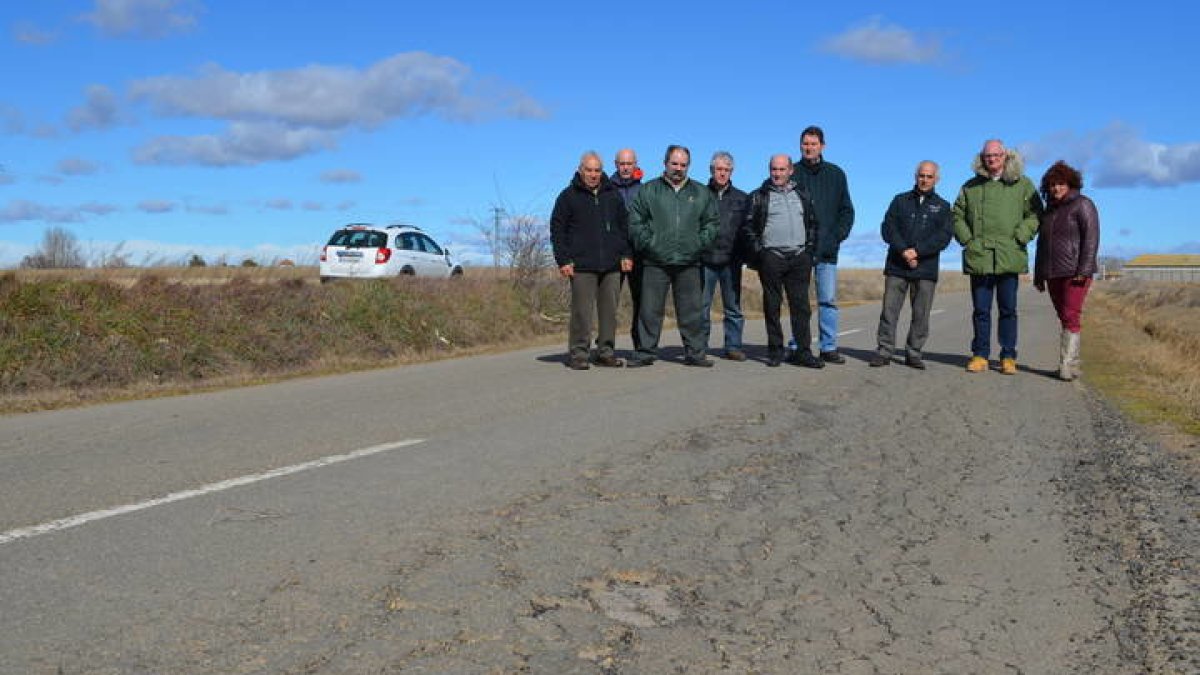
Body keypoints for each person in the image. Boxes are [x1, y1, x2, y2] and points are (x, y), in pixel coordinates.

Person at [953, 139, 1043, 374]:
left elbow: (1035, 214)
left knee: (1008, 310)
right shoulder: (970, 186)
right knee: (981, 310)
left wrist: (1020, 237)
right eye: (987, 156)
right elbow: (957, 215)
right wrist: (968, 240)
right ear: (981, 158)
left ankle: (1008, 356)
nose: (991, 159)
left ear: (1005, 156)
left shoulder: (1022, 184)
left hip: (1008, 255)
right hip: (979, 256)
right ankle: (980, 354)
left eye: (996, 155)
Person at [626, 145, 719, 367]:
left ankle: (695, 353)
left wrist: (697, 244)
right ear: (665, 163)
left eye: (683, 165)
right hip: (655, 261)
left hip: (689, 261)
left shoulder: (700, 193)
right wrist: (651, 244)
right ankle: (646, 351)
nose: (678, 168)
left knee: (691, 312)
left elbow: (712, 224)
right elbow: (635, 222)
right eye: (674, 164)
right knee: (649, 310)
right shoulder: (648, 191)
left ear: (688, 166)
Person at [550, 151, 634, 370]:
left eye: (597, 170)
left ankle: (605, 352)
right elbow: (557, 230)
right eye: (589, 170)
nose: (593, 174)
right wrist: (563, 260)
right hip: (581, 265)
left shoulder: (612, 195)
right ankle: (579, 353)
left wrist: (626, 254)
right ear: (580, 170)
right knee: (582, 312)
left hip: (612, 264)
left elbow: (624, 227)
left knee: (609, 312)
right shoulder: (568, 197)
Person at [869, 161, 954, 369]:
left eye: (929, 176)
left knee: (921, 314)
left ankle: (914, 352)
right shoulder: (900, 201)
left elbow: (943, 237)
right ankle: (884, 350)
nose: (924, 180)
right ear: (915, 176)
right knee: (889, 311)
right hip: (897, 265)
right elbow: (888, 228)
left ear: (937, 179)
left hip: (925, 269)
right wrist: (904, 251)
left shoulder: (943, 206)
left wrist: (918, 251)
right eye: (921, 175)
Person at [744, 154, 823, 369]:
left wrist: (809, 250)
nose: (777, 174)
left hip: (799, 258)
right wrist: (761, 253)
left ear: (790, 171)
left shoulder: (803, 193)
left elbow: (813, 223)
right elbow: (748, 228)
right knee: (772, 306)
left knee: (801, 307)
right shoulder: (759, 195)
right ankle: (775, 351)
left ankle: (803, 352)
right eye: (773, 169)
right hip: (772, 258)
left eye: (781, 169)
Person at [792, 125, 855, 364]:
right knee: (798, 301)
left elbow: (846, 211)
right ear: (800, 145)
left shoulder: (836, 174)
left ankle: (828, 346)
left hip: (827, 250)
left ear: (823, 146)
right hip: (798, 249)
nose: (809, 148)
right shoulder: (792, 172)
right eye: (805, 143)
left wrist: (836, 236)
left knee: (827, 300)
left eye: (813, 144)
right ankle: (798, 344)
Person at [1033, 160, 1099, 381]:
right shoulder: (1049, 212)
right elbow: (1041, 246)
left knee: (1071, 315)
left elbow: (1091, 239)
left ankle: (1067, 366)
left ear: (1070, 184)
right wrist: (1038, 275)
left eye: (1060, 183)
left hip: (1075, 272)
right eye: (1051, 185)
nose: (1056, 188)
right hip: (1052, 273)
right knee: (1064, 317)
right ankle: (1072, 364)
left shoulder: (1083, 205)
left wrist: (1084, 269)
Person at [701, 151, 750, 361]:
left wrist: (747, 256)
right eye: (718, 169)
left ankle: (733, 346)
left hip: (731, 261)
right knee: (702, 307)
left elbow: (748, 230)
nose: (722, 173)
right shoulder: (700, 194)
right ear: (712, 170)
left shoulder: (742, 198)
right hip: (705, 260)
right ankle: (699, 347)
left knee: (733, 308)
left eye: (726, 170)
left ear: (732, 172)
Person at [611, 148, 645, 351]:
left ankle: (640, 344)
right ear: (616, 165)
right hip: (614, 253)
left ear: (635, 164)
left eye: (629, 164)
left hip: (639, 253)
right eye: (622, 164)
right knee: (609, 301)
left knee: (640, 300)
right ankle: (606, 344)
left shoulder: (644, 189)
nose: (625, 168)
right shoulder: (607, 188)